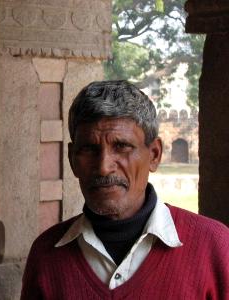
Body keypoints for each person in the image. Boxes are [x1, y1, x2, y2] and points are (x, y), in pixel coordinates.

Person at [21, 80, 229, 299]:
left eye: (121, 147)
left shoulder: (216, 247)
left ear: (154, 155)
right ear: (72, 159)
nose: (103, 167)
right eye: (89, 149)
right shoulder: (46, 254)